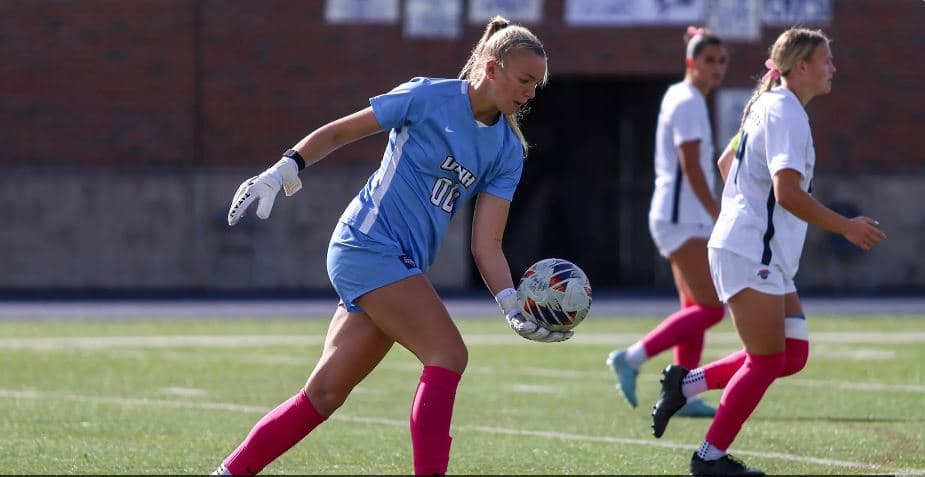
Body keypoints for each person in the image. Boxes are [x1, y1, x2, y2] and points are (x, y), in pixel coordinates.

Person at [212, 16, 568, 476]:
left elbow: (487, 244)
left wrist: (511, 305)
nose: (531, 93)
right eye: (524, 80)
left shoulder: (507, 150)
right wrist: (283, 169)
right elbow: (341, 132)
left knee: (323, 395)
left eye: (537, 85)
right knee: (449, 354)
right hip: (366, 243)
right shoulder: (429, 96)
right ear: (492, 67)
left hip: (397, 264)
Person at [650, 28, 886, 476]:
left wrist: (747, 210)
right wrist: (845, 226)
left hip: (760, 251)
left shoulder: (770, 104)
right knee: (765, 361)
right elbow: (788, 193)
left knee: (791, 355)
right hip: (750, 251)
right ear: (801, 66)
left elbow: (726, 164)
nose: (832, 68)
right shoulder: (786, 111)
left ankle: (686, 383)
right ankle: (709, 458)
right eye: (826, 61)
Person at [607, 26, 728, 418]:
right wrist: (718, 213)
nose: (717, 67)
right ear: (690, 62)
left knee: (693, 308)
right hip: (683, 218)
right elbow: (691, 166)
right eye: (709, 60)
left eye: (721, 61)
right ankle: (631, 358)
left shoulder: (686, 97)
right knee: (712, 309)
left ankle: (683, 395)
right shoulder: (688, 100)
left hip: (681, 216)